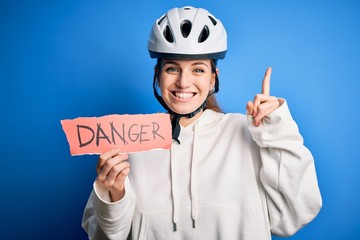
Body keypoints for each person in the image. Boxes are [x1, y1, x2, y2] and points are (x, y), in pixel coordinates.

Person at [82, 6, 322, 240]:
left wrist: (277, 130)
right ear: (158, 76)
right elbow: (101, 236)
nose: (184, 82)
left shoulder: (248, 132)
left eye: (197, 70)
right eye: (173, 68)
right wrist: (114, 196)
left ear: (212, 79)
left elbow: (296, 214)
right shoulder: (129, 145)